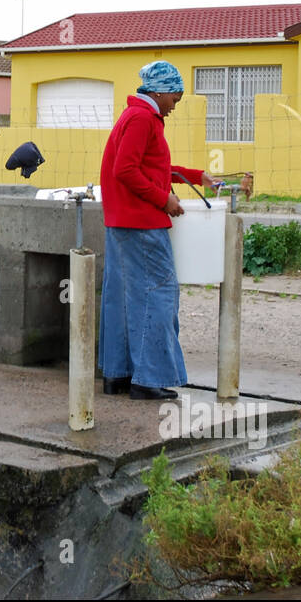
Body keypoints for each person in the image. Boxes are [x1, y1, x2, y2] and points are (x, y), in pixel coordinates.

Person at [98, 60, 220, 400]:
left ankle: (117, 374)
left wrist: (198, 177)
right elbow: (127, 170)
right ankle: (147, 379)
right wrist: (163, 199)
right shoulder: (142, 119)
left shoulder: (134, 116)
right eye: (174, 100)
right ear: (160, 91)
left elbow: (152, 166)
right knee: (159, 295)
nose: (173, 108)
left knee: (123, 298)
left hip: (122, 223)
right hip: (142, 223)